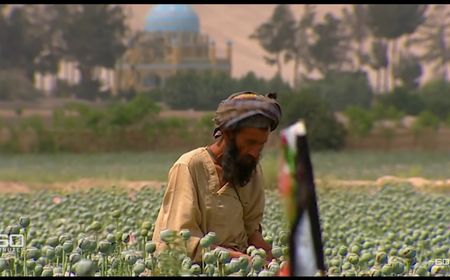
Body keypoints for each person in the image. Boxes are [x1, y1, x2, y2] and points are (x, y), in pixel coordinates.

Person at [151, 91, 282, 264]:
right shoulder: (189, 166)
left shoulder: (251, 170)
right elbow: (181, 242)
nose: (255, 152)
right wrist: (243, 261)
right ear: (228, 134)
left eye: (261, 144)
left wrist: (278, 265)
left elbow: (252, 235)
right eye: (250, 143)